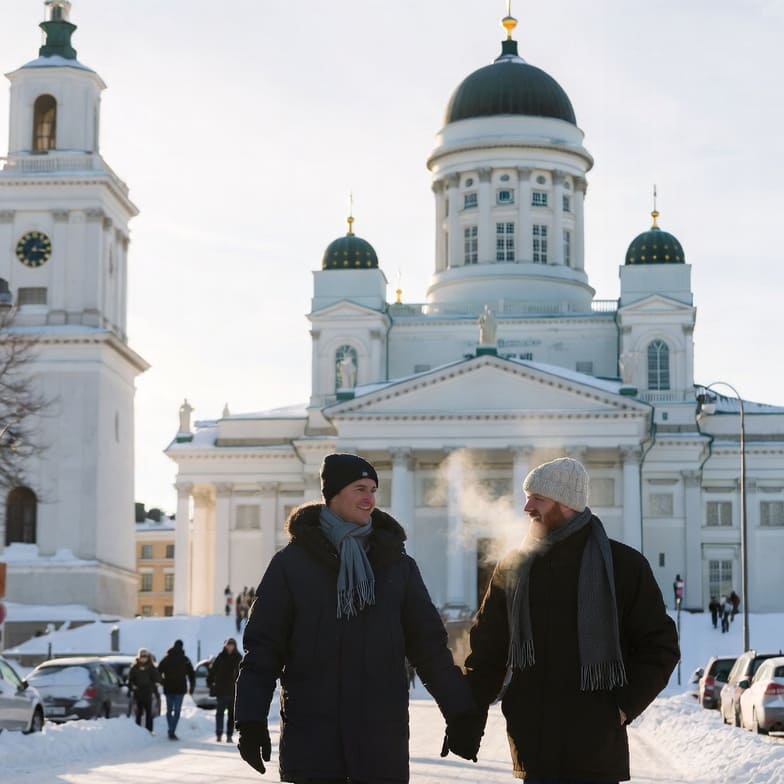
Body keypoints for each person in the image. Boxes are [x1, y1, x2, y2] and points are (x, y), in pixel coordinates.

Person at [235, 452, 479, 782]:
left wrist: (459, 713)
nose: (370, 499)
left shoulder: (397, 565)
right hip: (313, 744)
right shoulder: (291, 565)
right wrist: (250, 719)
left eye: (373, 490)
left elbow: (429, 647)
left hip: (380, 746)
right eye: (360, 489)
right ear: (333, 493)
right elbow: (263, 648)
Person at [451, 457, 680, 783]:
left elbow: (660, 646)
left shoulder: (623, 566)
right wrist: (467, 717)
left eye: (538, 498)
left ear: (567, 503)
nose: (527, 507)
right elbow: (488, 652)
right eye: (527, 496)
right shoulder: (513, 567)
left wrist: (622, 708)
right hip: (533, 746)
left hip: (596, 749)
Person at [157, 639, 196, 740]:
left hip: (169, 688)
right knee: (177, 711)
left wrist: (163, 681)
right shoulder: (185, 659)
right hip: (179, 689)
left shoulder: (167, 658)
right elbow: (192, 675)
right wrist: (192, 687)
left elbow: (158, 672)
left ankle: (171, 730)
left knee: (169, 710)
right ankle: (172, 730)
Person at [208, 637, 242, 742]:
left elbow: (243, 674)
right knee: (220, 713)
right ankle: (218, 734)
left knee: (231, 715)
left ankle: (229, 735)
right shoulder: (220, 657)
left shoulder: (238, 658)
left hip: (233, 691)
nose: (230, 647)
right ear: (225, 646)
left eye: (231, 645)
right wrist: (211, 684)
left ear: (234, 646)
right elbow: (212, 672)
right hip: (221, 691)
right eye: (228, 645)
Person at [128, 648, 162, 734]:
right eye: (142, 657)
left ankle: (149, 730)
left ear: (148, 657)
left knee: (149, 713)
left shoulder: (151, 667)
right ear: (139, 657)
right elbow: (130, 680)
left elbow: (157, 678)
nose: (143, 659)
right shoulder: (134, 668)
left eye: (145, 657)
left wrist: (155, 684)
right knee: (138, 713)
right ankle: (138, 731)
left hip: (148, 692)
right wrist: (132, 686)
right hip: (138, 693)